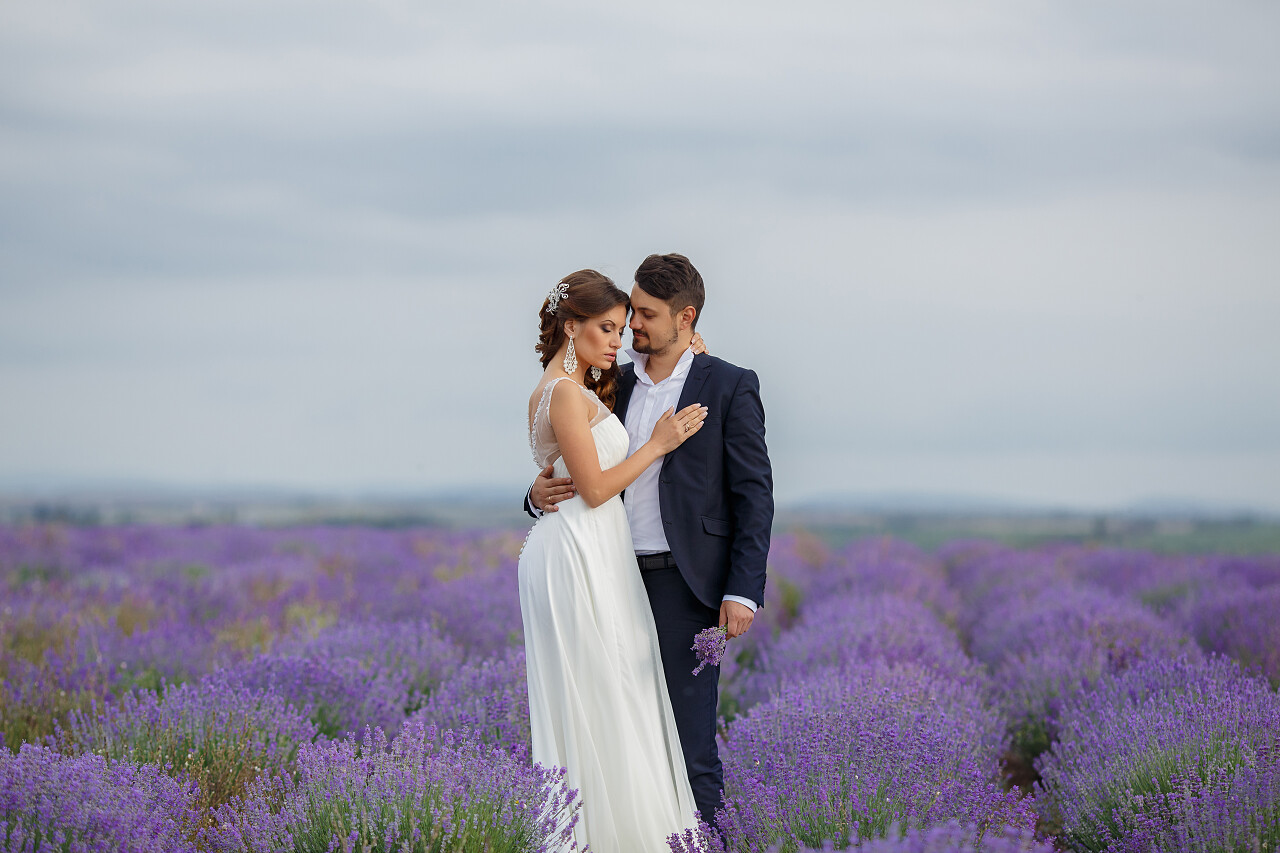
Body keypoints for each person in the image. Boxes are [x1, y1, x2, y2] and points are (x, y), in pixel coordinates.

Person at [527, 253, 774, 829]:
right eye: (629, 313)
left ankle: (705, 843)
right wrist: (536, 495)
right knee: (618, 732)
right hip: (603, 574)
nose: (632, 326)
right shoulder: (612, 379)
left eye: (645, 315)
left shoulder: (730, 385)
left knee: (687, 740)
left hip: (682, 584)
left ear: (685, 317)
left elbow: (753, 494)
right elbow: (574, 454)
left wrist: (743, 590)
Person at [519, 269, 709, 851]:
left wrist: (693, 349)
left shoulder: (580, 387)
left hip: (594, 550)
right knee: (604, 693)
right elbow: (596, 489)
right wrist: (657, 443)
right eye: (606, 329)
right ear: (570, 326)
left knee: (614, 692)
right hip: (579, 555)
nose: (617, 342)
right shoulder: (565, 394)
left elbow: (570, 477)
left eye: (624, 329)